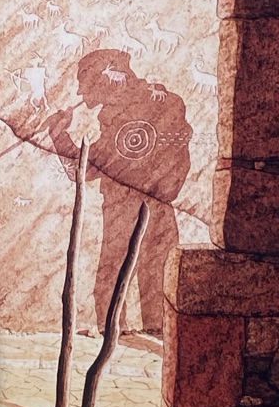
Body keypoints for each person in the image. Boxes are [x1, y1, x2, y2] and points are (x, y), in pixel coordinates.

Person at [48, 50, 192, 334]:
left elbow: (86, 169)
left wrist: (59, 135)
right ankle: (145, 336)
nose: (80, 92)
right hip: (155, 205)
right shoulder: (164, 103)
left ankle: (118, 335)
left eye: (84, 83)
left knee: (118, 275)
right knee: (154, 276)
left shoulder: (128, 113)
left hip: (126, 208)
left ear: (105, 80)